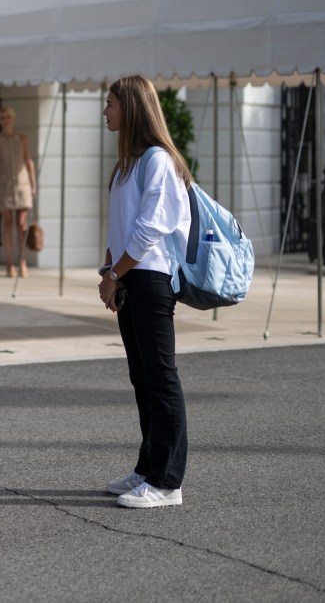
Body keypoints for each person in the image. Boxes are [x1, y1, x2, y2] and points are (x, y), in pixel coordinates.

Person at [100, 75, 192, 509]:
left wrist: (115, 274)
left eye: (111, 104)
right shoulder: (127, 164)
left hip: (150, 279)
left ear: (132, 108)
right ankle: (148, 467)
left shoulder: (158, 160)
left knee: (160, 378)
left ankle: (167, 482)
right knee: (142, 378)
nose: (105, 111)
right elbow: (119, 228)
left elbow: (152, 227)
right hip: (128, 277)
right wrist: (109, 272)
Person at [0, 105, 36, 278]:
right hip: (4, 183)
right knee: (7, 224)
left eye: (9, 117)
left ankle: (22, 261)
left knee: (22, 225)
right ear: (0, 120)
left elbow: (29, 161)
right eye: (3, 118)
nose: (6, 121)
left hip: (22, 184)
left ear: (13, 119)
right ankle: (9, 263)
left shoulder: (22, 137)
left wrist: (34, 184)